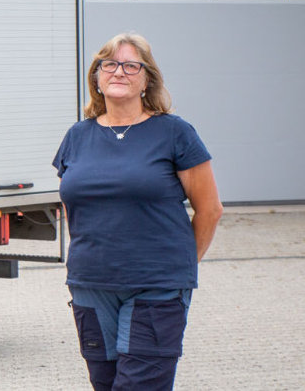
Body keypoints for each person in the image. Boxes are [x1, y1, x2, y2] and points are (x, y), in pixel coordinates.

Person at [52, 33, 222, 391]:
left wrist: (181, 265)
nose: (119, 72)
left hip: (156, 287)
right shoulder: (76, 136)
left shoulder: (175, 133)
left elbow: (210, 209)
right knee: (106, 384)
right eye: (109, 64)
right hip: (91, 285)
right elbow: (73, 205)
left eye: (132, 65)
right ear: (96, 77)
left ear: (147, 80)